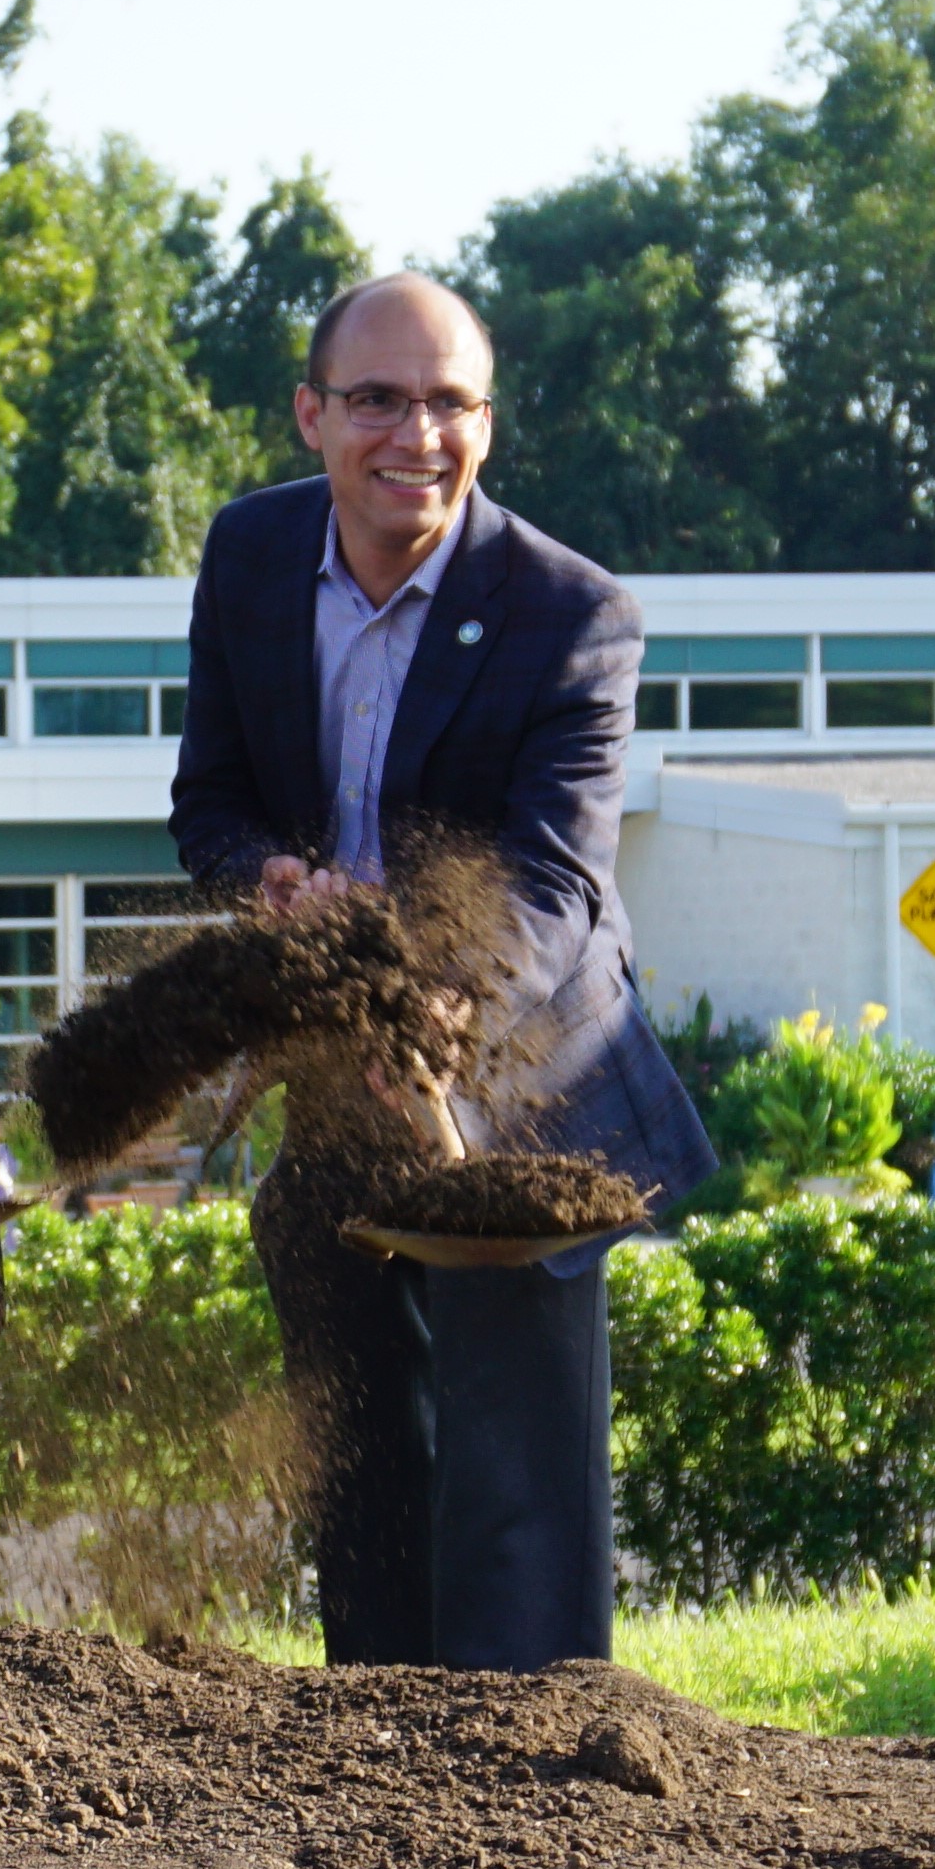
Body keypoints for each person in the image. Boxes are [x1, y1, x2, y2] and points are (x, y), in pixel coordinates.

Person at [164, 271, 713, 1670]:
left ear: (485, 420)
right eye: (376, 400)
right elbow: (210, 804)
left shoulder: (570, 613)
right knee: (364, 1442)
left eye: (449, 402)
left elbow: (549, 882)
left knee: (514, 1486)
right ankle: (377, 1736)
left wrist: (430, 993)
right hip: (334, 1075)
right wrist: (266, 883)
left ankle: (537, 1762)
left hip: (522, 1072)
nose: (415, 433)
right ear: (309, 415)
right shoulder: (244, 557)